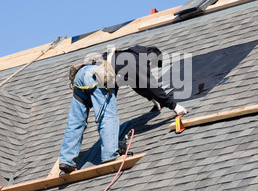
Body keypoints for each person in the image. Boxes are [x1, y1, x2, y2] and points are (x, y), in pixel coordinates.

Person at [59, 45, 187, 174]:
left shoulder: (124, 57)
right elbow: (149, 83)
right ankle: (110, 155)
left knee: (76, 120)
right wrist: (174, 106)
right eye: (150, 66)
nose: (149, 68)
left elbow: (137, 84)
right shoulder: (137, 60)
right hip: (98, 75)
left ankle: (66, 160)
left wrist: (153, 99)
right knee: (108, 117)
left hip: (81, 74)